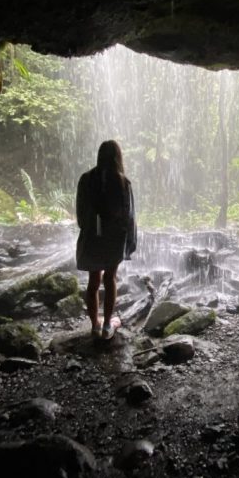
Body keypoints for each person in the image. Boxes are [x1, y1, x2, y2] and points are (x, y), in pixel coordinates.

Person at [75, 140, 137, 339]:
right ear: (118, 157)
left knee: (93, 281)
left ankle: (94, 325)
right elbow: (129, 216)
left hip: (92, 237)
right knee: (110, 279)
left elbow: (80, 213)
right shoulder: (122, 182)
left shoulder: (86, 179)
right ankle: (107, 325)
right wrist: (129, 243)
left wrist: (88, 230)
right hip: (114, 240)